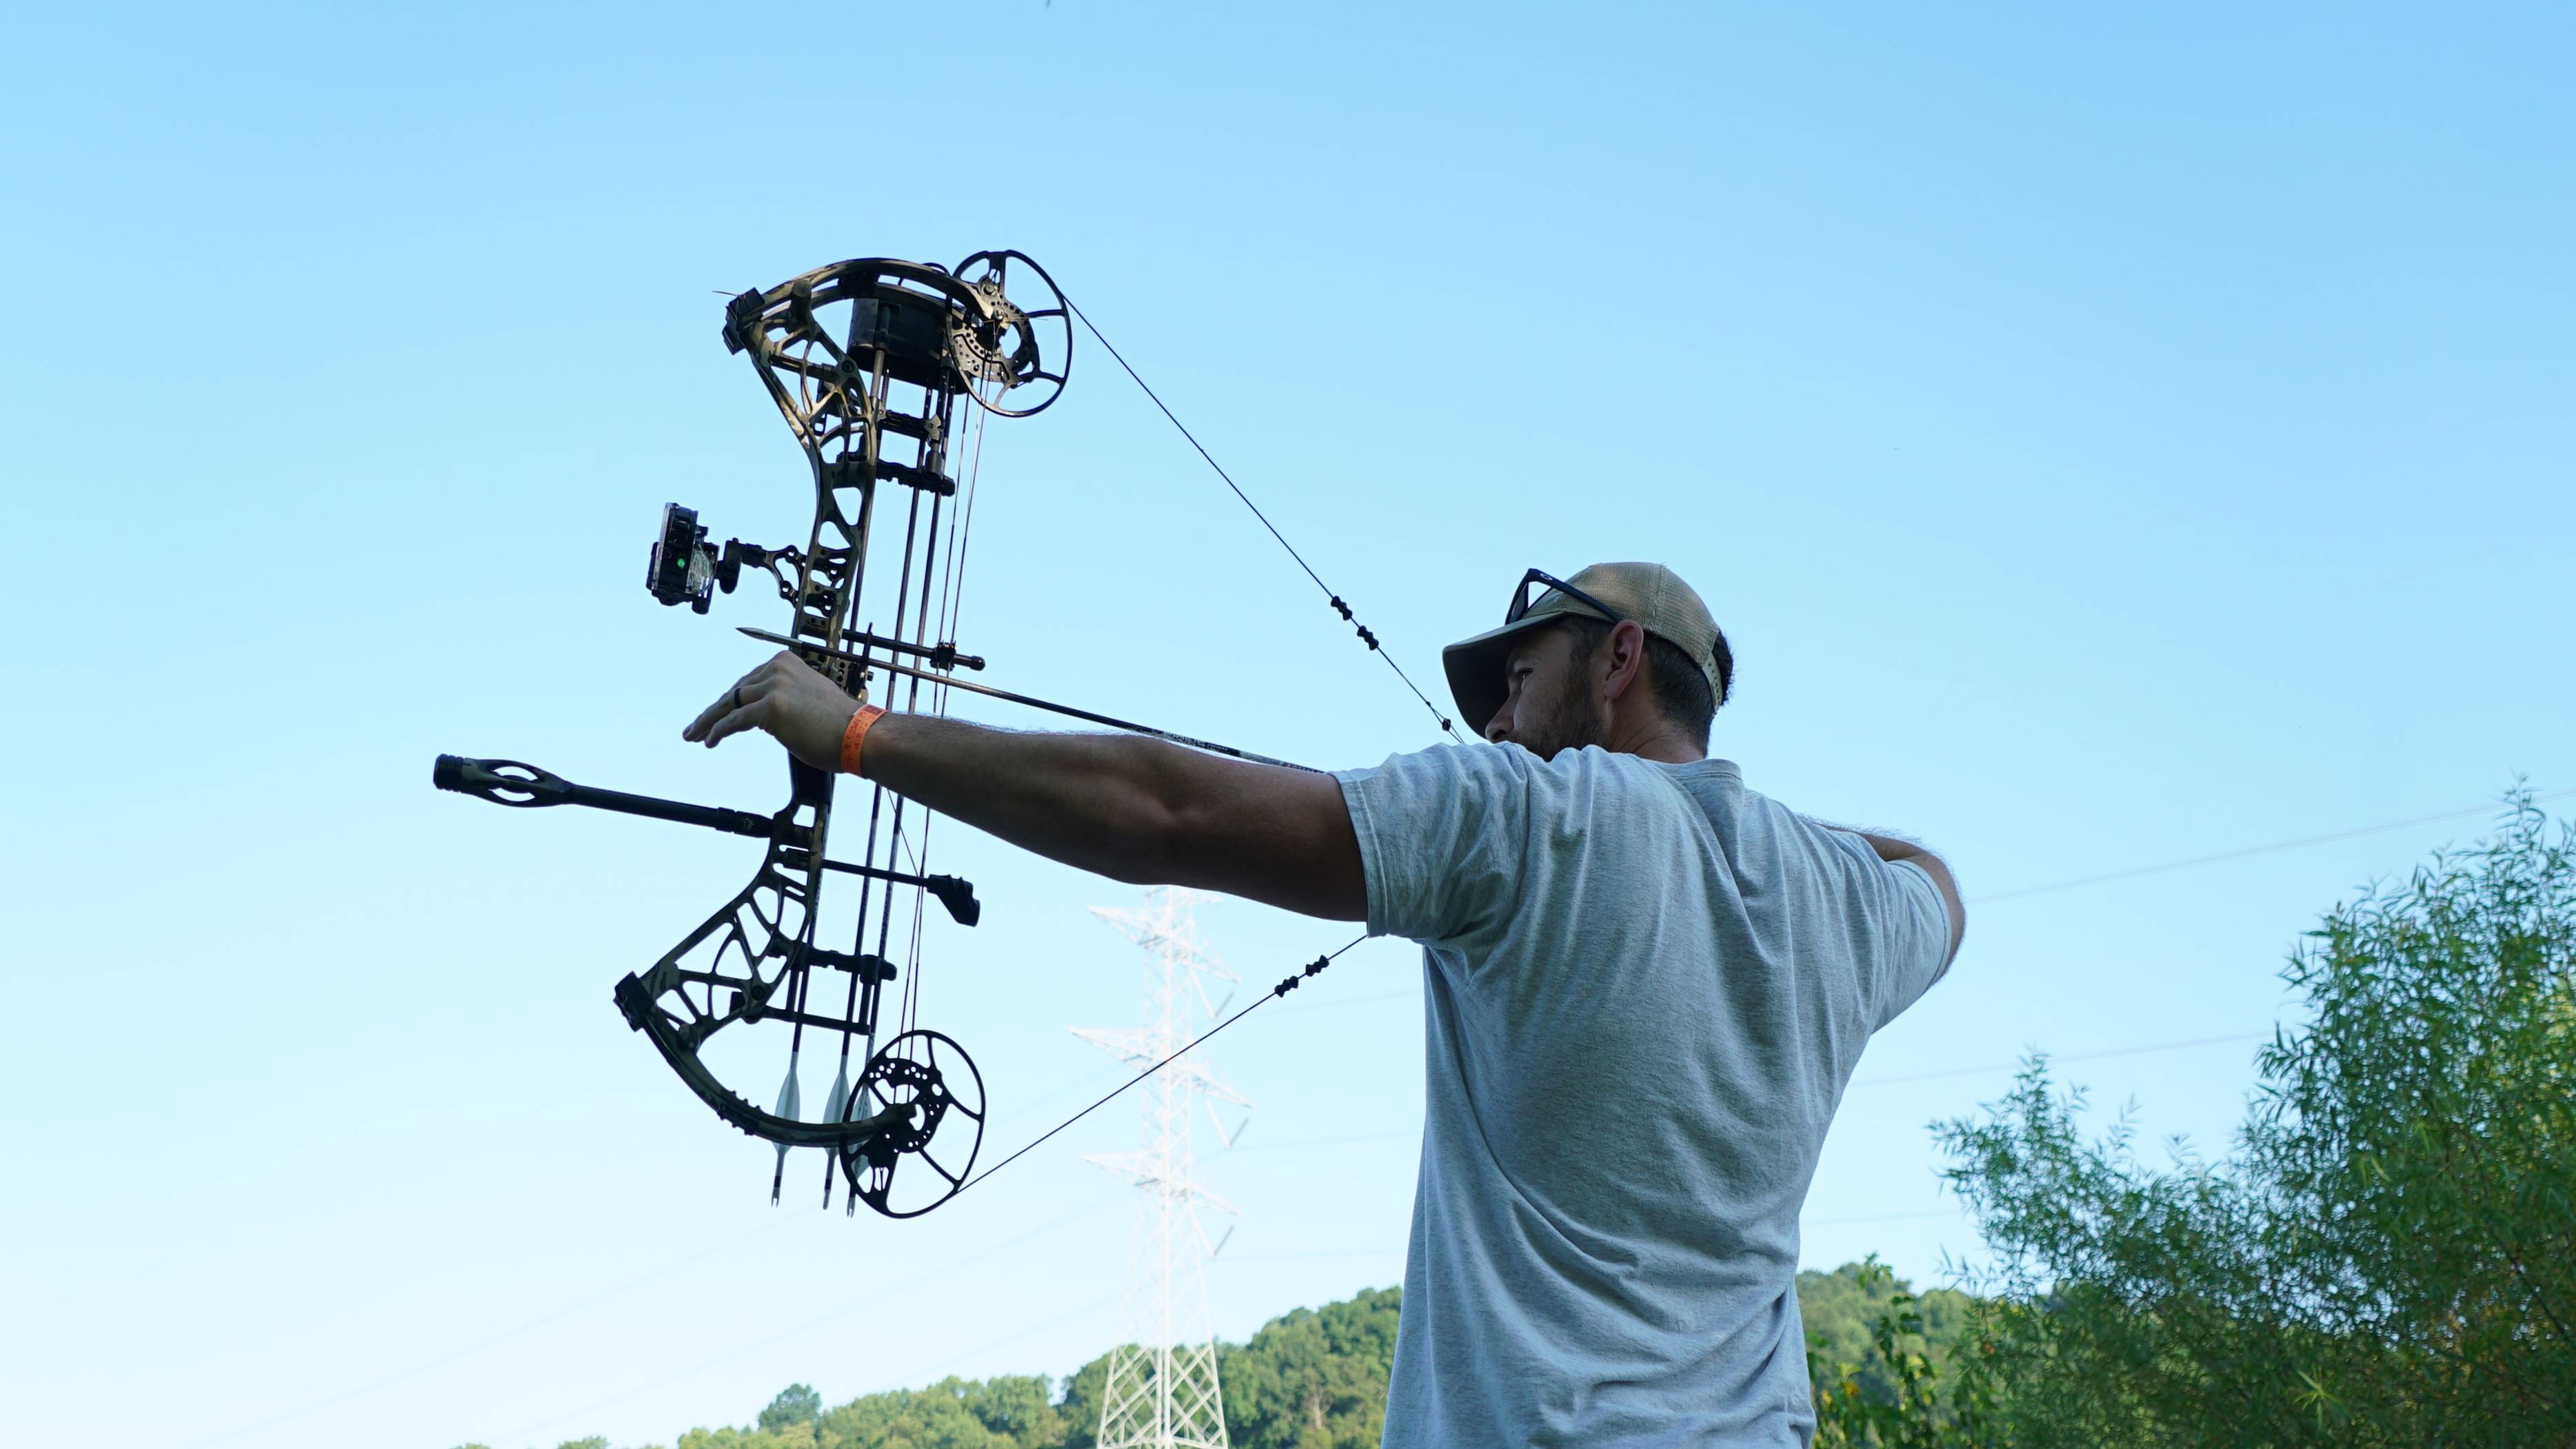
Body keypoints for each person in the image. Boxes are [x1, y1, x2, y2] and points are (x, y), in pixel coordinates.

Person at [686, 562, 1964, 1447]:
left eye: (1519, 683)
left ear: (1619, 659)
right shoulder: (1841, 898)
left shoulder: (1528, 818)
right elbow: (1940, 885)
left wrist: (856, 733)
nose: (1502, 726)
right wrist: (1734, 826)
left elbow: (1168, 811)